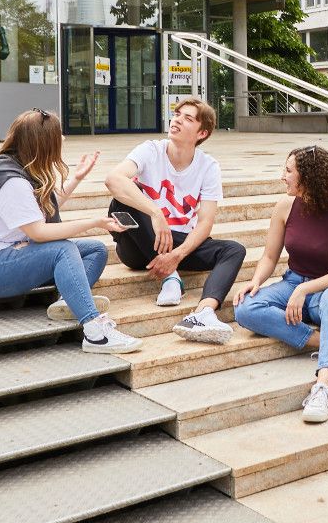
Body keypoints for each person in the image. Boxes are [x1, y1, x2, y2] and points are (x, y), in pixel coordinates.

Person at [0, 108, 140, 355]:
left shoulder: (16, 169)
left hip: (5, 255)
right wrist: (94, 221)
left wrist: (76, 178)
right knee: (63, 249)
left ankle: (68, 302)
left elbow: (39, 212)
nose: (63, 139)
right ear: (43, 144)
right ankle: (96, 334)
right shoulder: (12, 182)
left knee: (94, 250)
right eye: (58, 135)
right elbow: (40, 233)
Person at [233, 145, 328, 424]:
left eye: (289, 171)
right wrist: (254, 282)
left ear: (309, 176)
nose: (283, 176)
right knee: (246, 308)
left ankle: (323, 386)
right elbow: (270, 256)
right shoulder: (285, 207)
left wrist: (305, 289)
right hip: (292, 283)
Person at [103, 96, 247, 345]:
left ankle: (204, 313)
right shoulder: (151, 150)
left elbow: (205, 223)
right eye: (177, 114)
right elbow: (113, 180)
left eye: (187, 118)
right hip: (137, 246)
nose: (177, 120)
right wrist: (156, 214)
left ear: (201, 133)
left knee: (234, 250)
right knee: (121, 201)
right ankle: (171, 278)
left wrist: (177, 256)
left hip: (178, 244)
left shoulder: (208, 166)